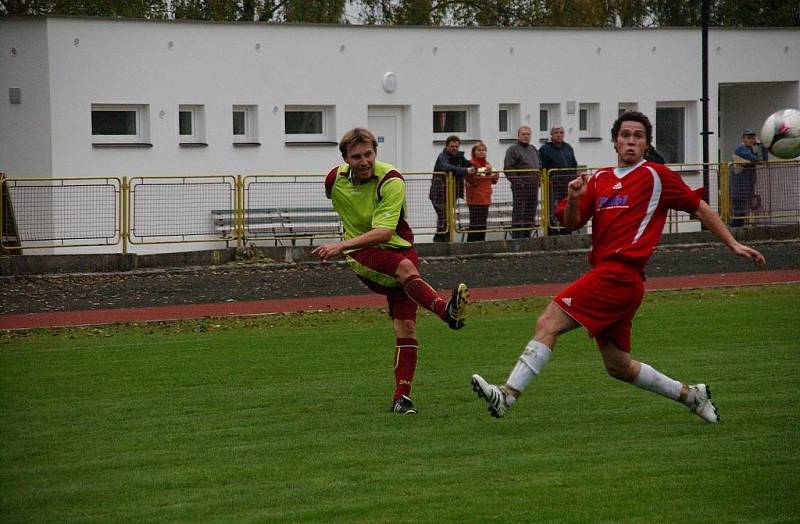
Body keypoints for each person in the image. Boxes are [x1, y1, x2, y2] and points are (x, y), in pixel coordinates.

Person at [470, 112, 766, 423]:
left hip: (620, 273)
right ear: (615, 141)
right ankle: (691, 395)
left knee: (548, 322)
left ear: (646, 144)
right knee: (618, 365)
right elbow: (570, 223)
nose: (631, 141)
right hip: (614, 279)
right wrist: (572, 198)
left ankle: (507, 395)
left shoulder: (656, 175)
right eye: (625, 135)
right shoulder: (599, 178)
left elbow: (699, 207)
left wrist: (733, 243)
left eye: (638, 136)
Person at [314, 128, 469, 415]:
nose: (364, 161)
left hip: (396, 246)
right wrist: (345, 245)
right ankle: (446, 312)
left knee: (406, 327)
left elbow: (385, 232)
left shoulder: (391, 179)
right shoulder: (334, 179)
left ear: (376, 152)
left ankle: (402, 398)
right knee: (405, 269)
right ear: (346, 159)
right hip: (362, 253)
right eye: (356, 156)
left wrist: (338, 244)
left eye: (369, 154)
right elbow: (340, 203)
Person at [430, 136, 475, 242]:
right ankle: (442, 240)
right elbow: (446, 167)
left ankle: (441, 240)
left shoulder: (459, 157)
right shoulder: (442, 157)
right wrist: (465, 170)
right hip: (439, 193)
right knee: (444, 217)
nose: (454, 148)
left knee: (447, 218)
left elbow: (469, 165)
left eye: (456, 146)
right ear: (446, 146)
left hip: (451, 192)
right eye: (452, 146)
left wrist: (476, 167)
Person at [538, 126, 578, 235]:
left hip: (567, 185)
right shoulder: (545, 149)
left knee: (566, 209)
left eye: (561, 132)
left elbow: (574, 164)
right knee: (552, 210)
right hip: (552, 185)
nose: (559, 135)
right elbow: (541, 167)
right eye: (556, 133)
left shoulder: (568, 148)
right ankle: (552, 232)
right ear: (551, 135)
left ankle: (566, 230)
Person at [504, 125, 540, 238]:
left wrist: (538, 180)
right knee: (520, 212)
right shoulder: (513, 150)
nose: (526, 136)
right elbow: (508, 168)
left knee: (530, 212)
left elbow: (539, 165)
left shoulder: (533, 149)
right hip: (520, 188)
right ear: (518, 136)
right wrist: (519, 183)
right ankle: (518, 237)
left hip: (533, 187)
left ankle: (527, 236)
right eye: (523, 134)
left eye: (528, 134)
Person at [730, 129, 768, 228]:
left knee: (742, 215)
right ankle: (733, 234)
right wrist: (759, 146)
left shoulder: (750, 150)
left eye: (753, 138)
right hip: (739, 189)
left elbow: (763, 159)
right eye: (749, 138)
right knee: (738, 214)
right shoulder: (740, 149)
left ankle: (735, 235)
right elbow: (757, 159)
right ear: (743, 139)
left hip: (747, 188)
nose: (751, 140)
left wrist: (762, 146)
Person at [464, 141, 499, 242]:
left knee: (483, 225)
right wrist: (485, 173)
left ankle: (481, 243)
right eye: (479, 150)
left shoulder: (487, 164)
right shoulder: (470, 164)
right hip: (474, 199)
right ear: (474, 152)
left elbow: (494, 180)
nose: (481, 152)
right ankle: (471, 245)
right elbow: (471, 180)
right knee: (475, 224)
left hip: (485, 198)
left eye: (483, 150)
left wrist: (492, 172)